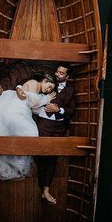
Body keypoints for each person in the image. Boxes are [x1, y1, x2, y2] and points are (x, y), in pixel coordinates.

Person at [0, 75, 56, 180]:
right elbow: (32, 102)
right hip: (15, 108)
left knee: (17, 134)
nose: (48, 90)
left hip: (17, 108)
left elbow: (33, 107)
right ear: (44, 80)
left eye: (50, 90)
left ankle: (13, 161)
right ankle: (16, 161)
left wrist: (46, 110)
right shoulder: (35, 83)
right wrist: (47, 98)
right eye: (49, 86)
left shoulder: (37, 90)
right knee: (32, 133)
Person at [26, 63, 76, 205]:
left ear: (67, 76)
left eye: (61, 73)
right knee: (41, 155)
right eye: (57, 71)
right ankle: (41, 187)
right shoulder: (48, 83)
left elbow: (72, 111)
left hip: (59, 127)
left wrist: (58, 109)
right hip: (43, 123)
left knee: (52, 157)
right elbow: (33, 93)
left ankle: (45, 190)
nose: (57, 74)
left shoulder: (71, 90)